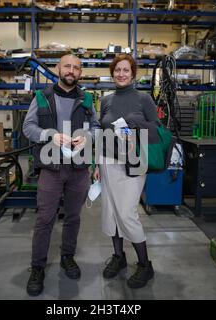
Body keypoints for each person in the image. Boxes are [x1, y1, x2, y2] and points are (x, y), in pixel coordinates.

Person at [22, 54, 100, 296]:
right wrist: (49, 135)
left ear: (80, 73)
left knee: (73, 218)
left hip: (78, 169)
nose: (71, 71)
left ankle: (67, 256)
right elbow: (28, 128)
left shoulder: (87, 99)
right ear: (58, 69)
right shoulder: (41, 97)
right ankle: (37, 267)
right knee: (45, 218)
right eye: (67, 66)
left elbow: (97, 127)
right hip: (51, 168)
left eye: (76, 68)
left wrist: (88, 137)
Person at [93, 54, 159, 289]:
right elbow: (101, 130)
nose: (121, 74)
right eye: (117, 70)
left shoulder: (144, 99)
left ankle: (145, 265)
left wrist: (137, 126)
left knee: (127, 212)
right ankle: (119, 257)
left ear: (133, 73)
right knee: (110, 211)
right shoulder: (107, 100)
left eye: (126, 70)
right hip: (107, 161)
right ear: (113, 73)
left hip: (134, 162)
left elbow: (158, 130)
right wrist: (96, 164)